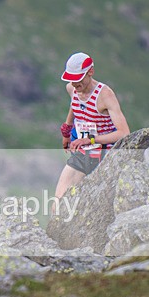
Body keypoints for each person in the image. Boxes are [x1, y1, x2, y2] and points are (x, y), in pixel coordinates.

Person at [53, 53, 130, 210]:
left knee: (96, 210)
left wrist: (91, 140)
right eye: (71, 78)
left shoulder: (105, 95)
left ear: (90, 72)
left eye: (78, 78)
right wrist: (66, 131)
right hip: (83, 152)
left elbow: (124, 133)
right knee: (58, 206)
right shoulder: (72, 88)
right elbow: (74, 106)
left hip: (105, 156)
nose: (74, 83)